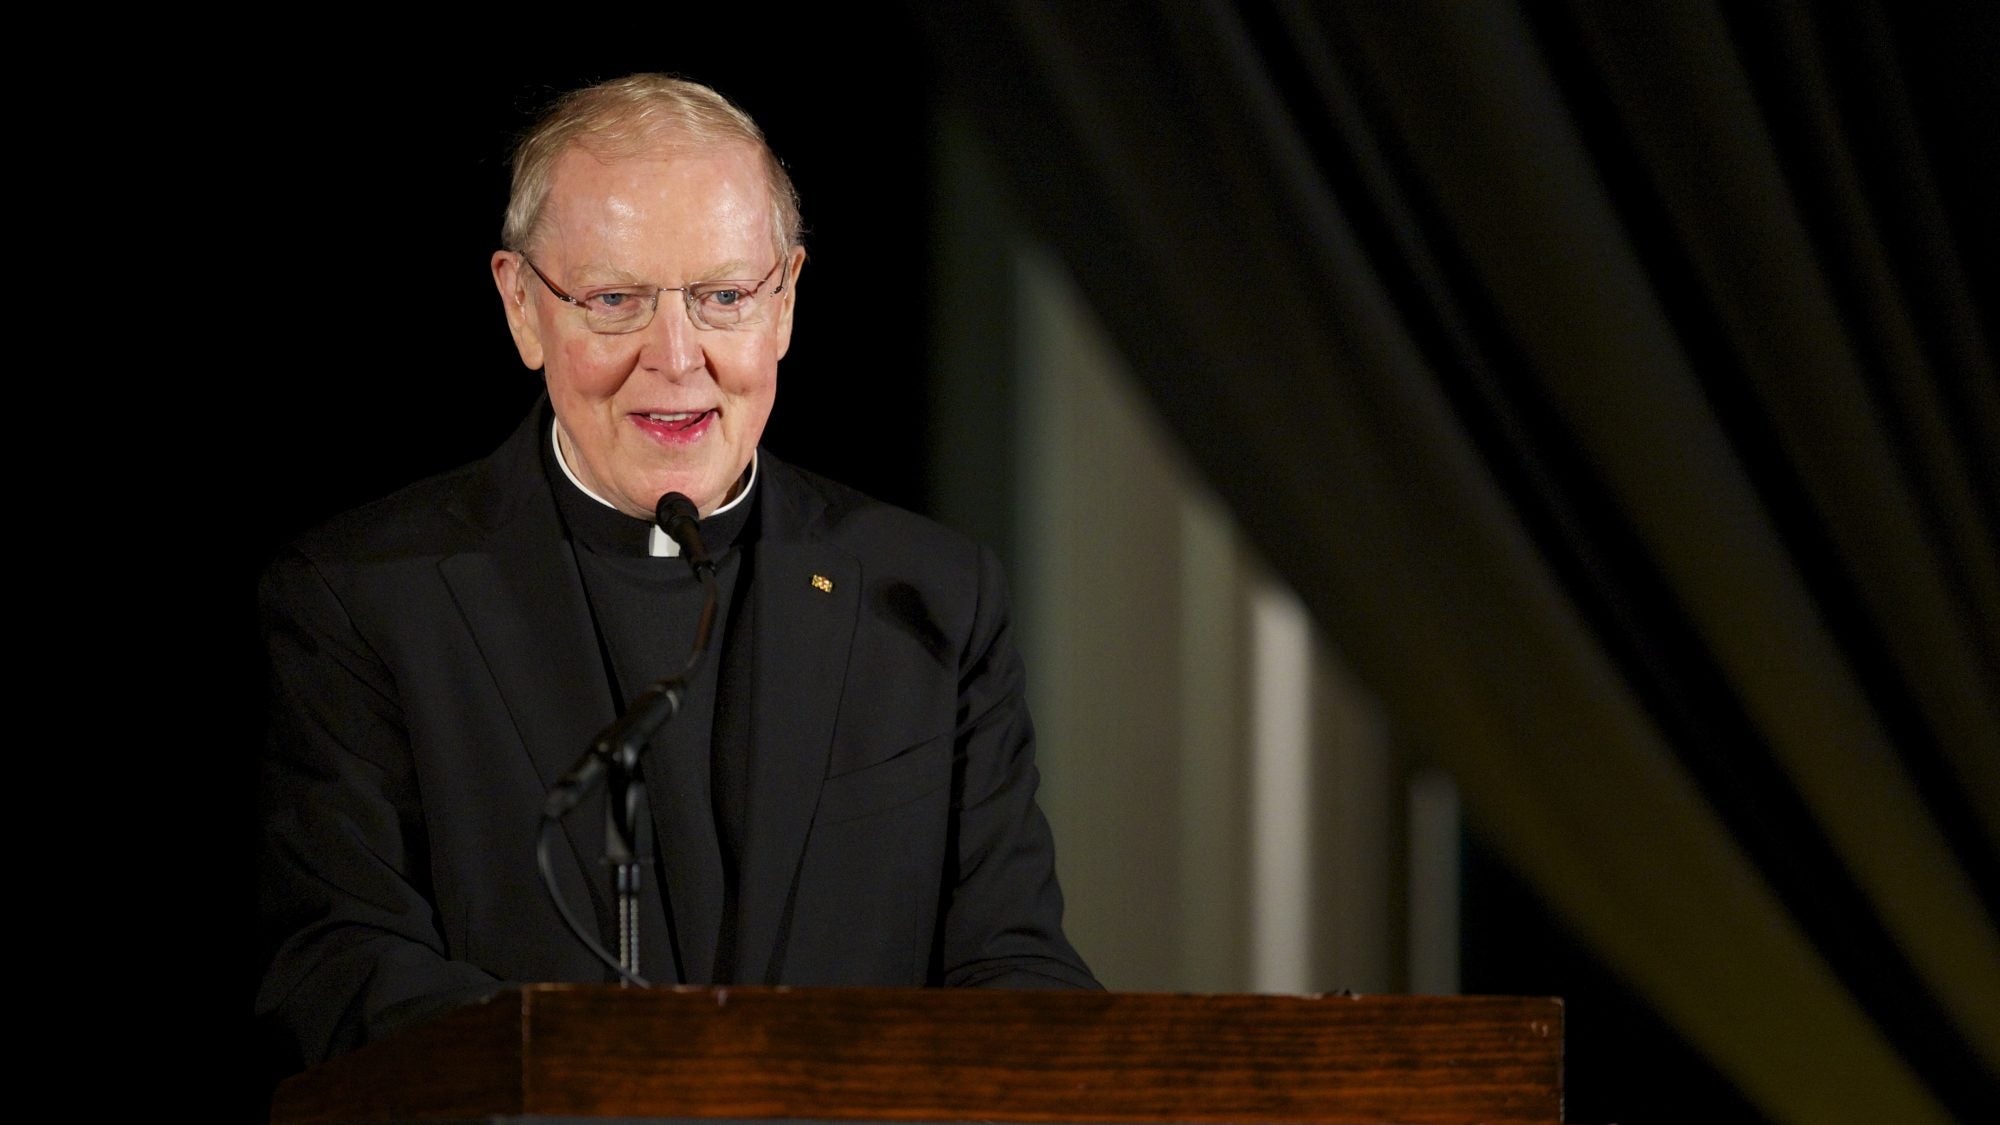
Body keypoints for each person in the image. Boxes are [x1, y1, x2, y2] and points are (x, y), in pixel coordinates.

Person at [256, 74, 1096, 1072]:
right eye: (614, 301)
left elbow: (1011, 967)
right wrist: (617, 1084)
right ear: (523, 308)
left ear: (783, 301)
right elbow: (340, 966)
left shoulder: (927, 596)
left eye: (723, 297)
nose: (676, 354)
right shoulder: (364, 598)